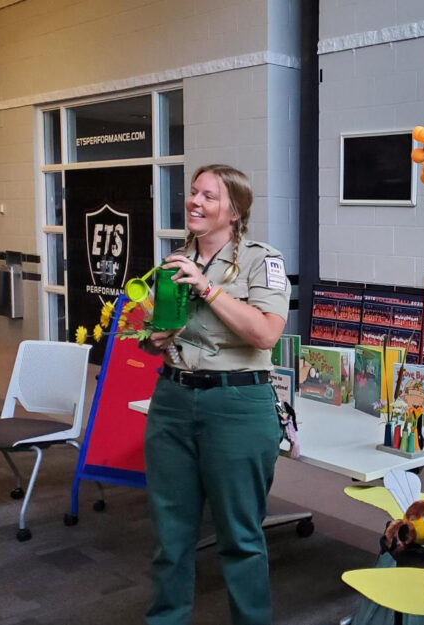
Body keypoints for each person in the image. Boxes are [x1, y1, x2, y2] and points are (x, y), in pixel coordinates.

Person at [140, 164, 289, 625]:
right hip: (172, 400)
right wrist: (154, 338)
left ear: (235, 211)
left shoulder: (263, 261)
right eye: (192, 193)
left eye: (208, 196)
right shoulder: (172, 261)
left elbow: (266, 335)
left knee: (240, 538)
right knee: (171, 535)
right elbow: (151, 335)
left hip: (237, 405)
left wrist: (207, 287)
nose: (195, 202)